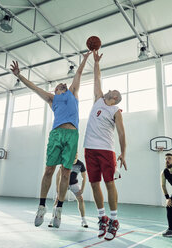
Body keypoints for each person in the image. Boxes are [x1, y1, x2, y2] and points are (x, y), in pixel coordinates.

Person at [10, 52, 91, 228]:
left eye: (64, 83)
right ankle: (41, 206)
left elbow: (78, 74)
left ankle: (58, 210)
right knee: (48, 170)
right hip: (56, 135)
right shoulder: (51, 98)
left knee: (66, 173)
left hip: (72, 135)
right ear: (55, 90)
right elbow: (33, 87)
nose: (62, 83)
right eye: (59, 84)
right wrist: (19, 75)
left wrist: (84, 59)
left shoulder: (73, 93)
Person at [84, 50, 127, 241]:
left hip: (106, 150)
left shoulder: (116, 110)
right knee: (94, 184)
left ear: (116, 98)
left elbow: (121, 133)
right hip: (89, 149)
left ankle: (114, 220)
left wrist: (123, 153)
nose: (112, 90)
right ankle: (102, 217)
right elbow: (97, 78)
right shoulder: (98, 99)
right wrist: (96, 62)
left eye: (115, 92)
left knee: (109, 183)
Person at [48, 153, 88, 228]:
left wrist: (82, 189)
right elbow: (58, 175)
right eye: (74, 154)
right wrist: (57, 187)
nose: (75, 155)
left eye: (76, 154)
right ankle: (53, 218)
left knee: (81, 200)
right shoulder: (66, 162)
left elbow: (84, 178)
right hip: (64, 184)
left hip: (74, 184)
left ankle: (83, 220)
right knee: (57, 200)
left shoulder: (81, 164)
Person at [161, 153, 172, 237]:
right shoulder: (164, 172)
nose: (167, 160)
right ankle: (171, 229)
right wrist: (167, 198)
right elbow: (163, 186)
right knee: (169, 206)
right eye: (166, 159)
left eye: (169, 158)